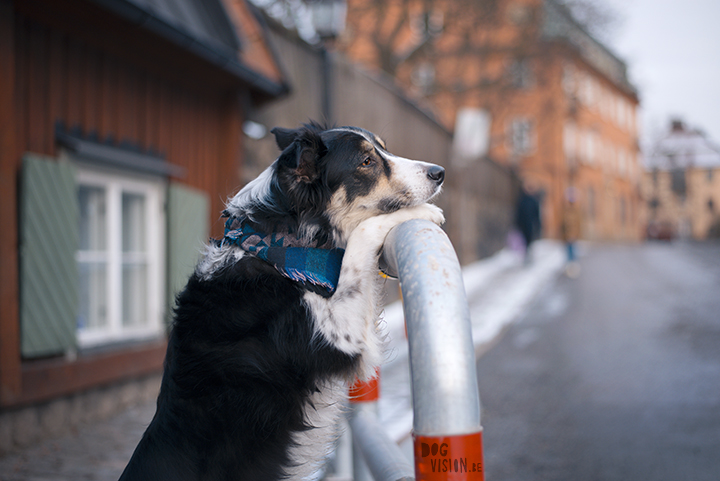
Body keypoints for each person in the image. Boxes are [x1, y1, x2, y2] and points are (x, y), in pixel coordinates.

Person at [515, 182, 542, 265]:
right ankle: (527, 254)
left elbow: (536, 214)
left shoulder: (533, 201)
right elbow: (519, 212)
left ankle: (528, 253)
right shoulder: (522, 200)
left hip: (530, 224)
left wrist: (537, 224)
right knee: (525, 239)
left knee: (529, 239)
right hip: (524, 224)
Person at [561, 193, 582, 277]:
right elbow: (563, 224)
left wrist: (576, 234)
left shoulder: (576, 212)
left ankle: (573, 267)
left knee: (572, 251)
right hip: (567, 235)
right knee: (568, 251)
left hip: (573, 235)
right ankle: (569, 267)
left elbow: (578, 224)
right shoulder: (565, 211)